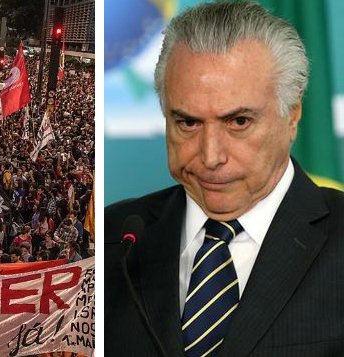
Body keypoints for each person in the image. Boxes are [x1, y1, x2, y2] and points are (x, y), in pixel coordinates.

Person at [105, 2, 344, 355]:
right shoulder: (113, 238)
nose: (211, 156)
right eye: (188, 122)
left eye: (238, 122)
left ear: (292, 116)